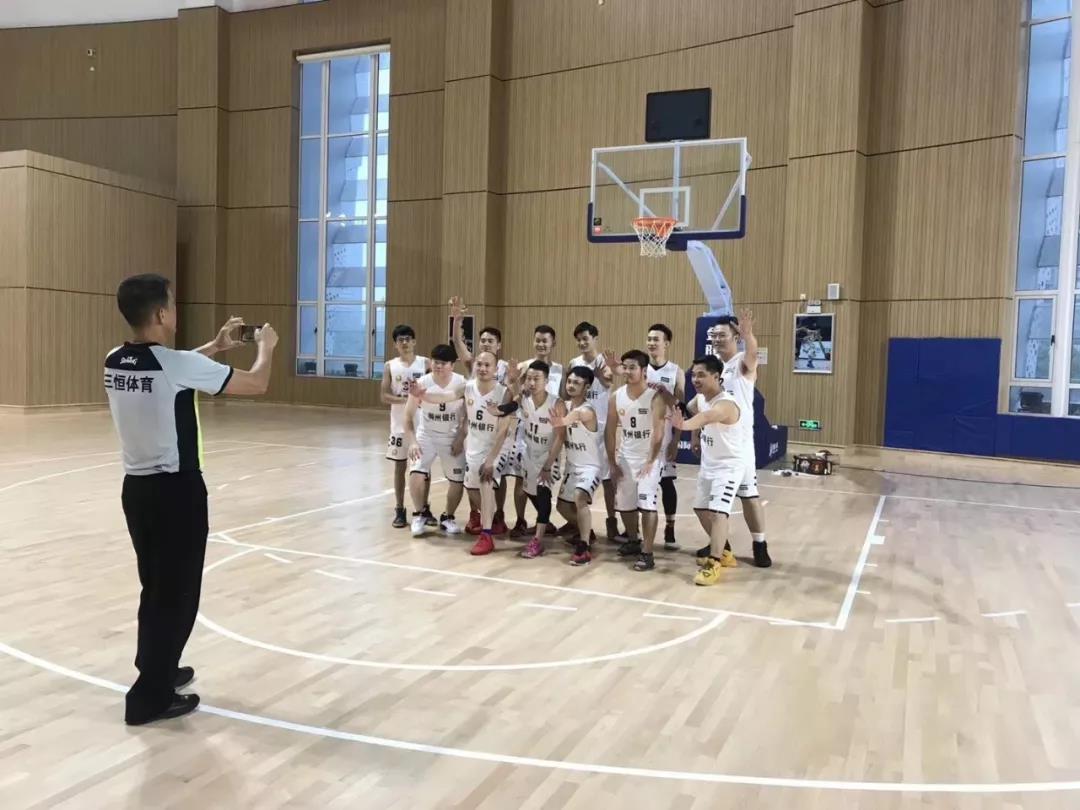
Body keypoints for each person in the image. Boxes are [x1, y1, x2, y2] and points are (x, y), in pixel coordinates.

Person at [105, 273, 277, 725]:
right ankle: (150, 697)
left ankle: (157, 668)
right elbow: (256, 384)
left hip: (137, 491)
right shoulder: (174, 365)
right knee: (177, 596)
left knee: (155, 588)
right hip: (176, 492)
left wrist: (215, 347)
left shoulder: (116, 359)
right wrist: (267, 348)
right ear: (162, 313)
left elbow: (173, 369)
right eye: (173, 304)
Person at [670, 356, 743, 586]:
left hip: (729, 466)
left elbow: (706, 417)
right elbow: (692, 410)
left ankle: (714, 563)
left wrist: (684, 426)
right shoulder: (701, 398)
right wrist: (694, 435)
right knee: (701, 508)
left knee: (719, 512)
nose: (695, 379)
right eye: (693, 375)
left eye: (701, 375)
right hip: (709, 464)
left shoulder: (726, 404)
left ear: (716, 376)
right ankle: (725, 551)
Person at [706, 310, 772, 568]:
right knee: (710, 502)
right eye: (714, 335)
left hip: (740, 446)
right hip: (717, 444)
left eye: (722, 334)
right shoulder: (713, 367)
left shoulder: (742, 363)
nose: (717, 339)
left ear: (735, 336)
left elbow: (753, 355)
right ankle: (720, 546)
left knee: (749, 496)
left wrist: (749, 336)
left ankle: (760, 544)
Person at [449, 296, 511, 535]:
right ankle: (479, 514)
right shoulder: (475, 365)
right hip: (476, 431)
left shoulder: (506, 370)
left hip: (497, 433)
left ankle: (497, 515)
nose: (485, 344)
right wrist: (457, 321)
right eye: (482, 340)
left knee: (496, 476)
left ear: (499, 345)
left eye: (490, 341)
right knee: (473, 477)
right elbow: (458, 343)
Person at [606, 351, 667, 572]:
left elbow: (658, 432)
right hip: (626, 457)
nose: (628, 371)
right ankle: (633, 540)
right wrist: (612, 461)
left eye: (633, 367)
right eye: (625, 367)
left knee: (647, 504)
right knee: (625, 505)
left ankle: (648, 553)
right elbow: (609, 431)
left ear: (643, 371)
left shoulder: (655, 397)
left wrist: (651, 460)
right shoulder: (616, 396)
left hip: (648, 459)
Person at [403, 344, 467, 537]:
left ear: (452, 365)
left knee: (457, 480)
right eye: (435, 362)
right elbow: (407, 416)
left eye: (443, 363)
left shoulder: (462, 383)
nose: (438, 366)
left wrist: (460, 436)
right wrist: (413, 442)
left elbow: (467, 416)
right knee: (416, 472)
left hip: (451, 436)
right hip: (427, 435)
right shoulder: (421, 383)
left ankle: (448, 517)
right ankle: (419, 514)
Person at [564, 322, 619, 542]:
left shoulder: (604, 362)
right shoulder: (574, 363)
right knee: (577, 475)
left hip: (600, 428)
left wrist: (600, 375)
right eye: (578, 339)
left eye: (585, 338)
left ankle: (612, 522)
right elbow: (566, 393)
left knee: (607, 480)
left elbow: (609, 382)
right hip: (578, 429)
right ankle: (578, 524)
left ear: (595, 338)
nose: (582, 342)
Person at [507, 325, 563, 538]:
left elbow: (564, 396)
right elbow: (515, 394)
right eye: (537, 340)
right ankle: (521, 520)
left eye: (544, 340)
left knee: (543, 483)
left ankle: (542, 523)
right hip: (526, 429)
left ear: (553, 343)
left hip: (549, 431)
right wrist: (514, 381)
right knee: (521, 479)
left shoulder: (560, 370)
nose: (540, 344)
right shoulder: (524, 367)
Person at [460, 351, 516, 555]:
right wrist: (422, 395)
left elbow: (503, 430)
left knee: (485, 480)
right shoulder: (467, 387)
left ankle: (486, 535)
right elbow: (445, 396)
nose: (483, 368)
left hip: (498, 447)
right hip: (474, 445)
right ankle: (492, 521)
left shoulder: (504, 392)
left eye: (487, 365)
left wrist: (491, 459)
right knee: (472, 489)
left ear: (495, 369)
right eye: (480, 364)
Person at [381, 324, 432, 529]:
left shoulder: (425, 363)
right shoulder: (390, 366)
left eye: (408, 339)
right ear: (395, 344)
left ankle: (424, 508)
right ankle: (400, 509)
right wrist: (408, 399)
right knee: (400, 466)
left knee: (423, 468)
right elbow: (384, 395)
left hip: (422, 425)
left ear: (414, 342)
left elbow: (433, 388)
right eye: (400, 340)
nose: (404, 343)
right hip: (399, 425)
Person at [552, 366, 603, 566]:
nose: (571, 385)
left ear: (587, 387)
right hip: (572, 466)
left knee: (580, 497)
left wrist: (562, 420)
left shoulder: (588, 410)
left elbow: (577, 416)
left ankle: (584, 547)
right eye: (569, 381)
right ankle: (586, 531)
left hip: (590, 466)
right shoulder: (564, 405)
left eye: (577, 383)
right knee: (562, 507)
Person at [644, 323, 684, 550]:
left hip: (666, 434)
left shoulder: (676, 371)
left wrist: (676, 441)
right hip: (642, 435)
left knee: (666, 482)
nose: (651, 343)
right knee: (639, 482)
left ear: (666, 343)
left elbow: (680, 408)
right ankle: (635, 529)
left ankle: (670, 526)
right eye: (649, 339)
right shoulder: (640, 367)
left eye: (656, 339)